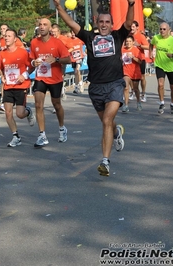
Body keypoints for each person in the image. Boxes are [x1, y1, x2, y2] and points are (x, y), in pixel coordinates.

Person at [53, 0, 134, 177]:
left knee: (106, 120)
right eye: (101, 22)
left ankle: (105, 161)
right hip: (96, 88)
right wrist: (59, 8)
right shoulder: (89, 37)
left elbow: (128, 23)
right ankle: (117, 132)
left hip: (115, 84)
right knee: (107, 123)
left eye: (107, 22)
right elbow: (71, 24)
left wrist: (132, 5)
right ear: (97, 23)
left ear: (112, 25)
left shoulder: (118, 36)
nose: (104, 25)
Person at [29, 18, 71, 148]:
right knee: (38, 105)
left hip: (55, 78)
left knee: (56, 104)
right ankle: (42, 135)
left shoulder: (57, 43)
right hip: (41, 77)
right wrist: (33, 63)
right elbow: (31, 60)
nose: (42, 27)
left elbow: (68, 59)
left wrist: (57, 59)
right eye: (40, 25)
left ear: (49, 28)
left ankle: (62, 128)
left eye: (45, 25)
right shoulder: (34, 42)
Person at [0, 28, 35, 147]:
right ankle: (16, 136)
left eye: (9, 36)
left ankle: (28, 112)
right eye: (5, 36)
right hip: (8, 86)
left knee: (19, 114)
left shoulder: (23, 52)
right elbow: (1, 69)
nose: (6, 38)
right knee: (8, 113)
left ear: (15, 39)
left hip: (20, 86)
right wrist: (2, 76)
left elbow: (32, 66)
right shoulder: (2, 54)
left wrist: (24, 75)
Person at [149, 22, 173, 114]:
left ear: (169, 30)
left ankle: (172, 104)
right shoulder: (156, 38)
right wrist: (150, 52)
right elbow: (151, 44)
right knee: (160, 84)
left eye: (164, 29)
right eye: (160, 29)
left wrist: (172, 55)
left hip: (172, 67)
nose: (162, 31)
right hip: (159, 65)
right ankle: (161, 103)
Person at [121, 36, 142, 112]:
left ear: (133, 42)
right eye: (127, 41)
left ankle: (138, 101)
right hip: (126, 72)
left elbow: (140, 62)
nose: (128, 43)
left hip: (135, 72)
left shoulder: (136, 50)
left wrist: (133, 57)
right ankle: (126, 105)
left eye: (130, 41)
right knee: (126, 87)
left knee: (135, 89)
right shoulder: (122, 50)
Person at [130, 21, 149, 102]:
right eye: (131, 26)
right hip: (131, 59)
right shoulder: (129, 36)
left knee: (142, 77)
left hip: (140, 59)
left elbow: (148, 47)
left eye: (133, 26)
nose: (131, 28)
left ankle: (143, 93)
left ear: (137, 27)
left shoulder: (141, 36)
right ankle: (132, 91)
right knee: (130, 77)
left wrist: (139, 45)